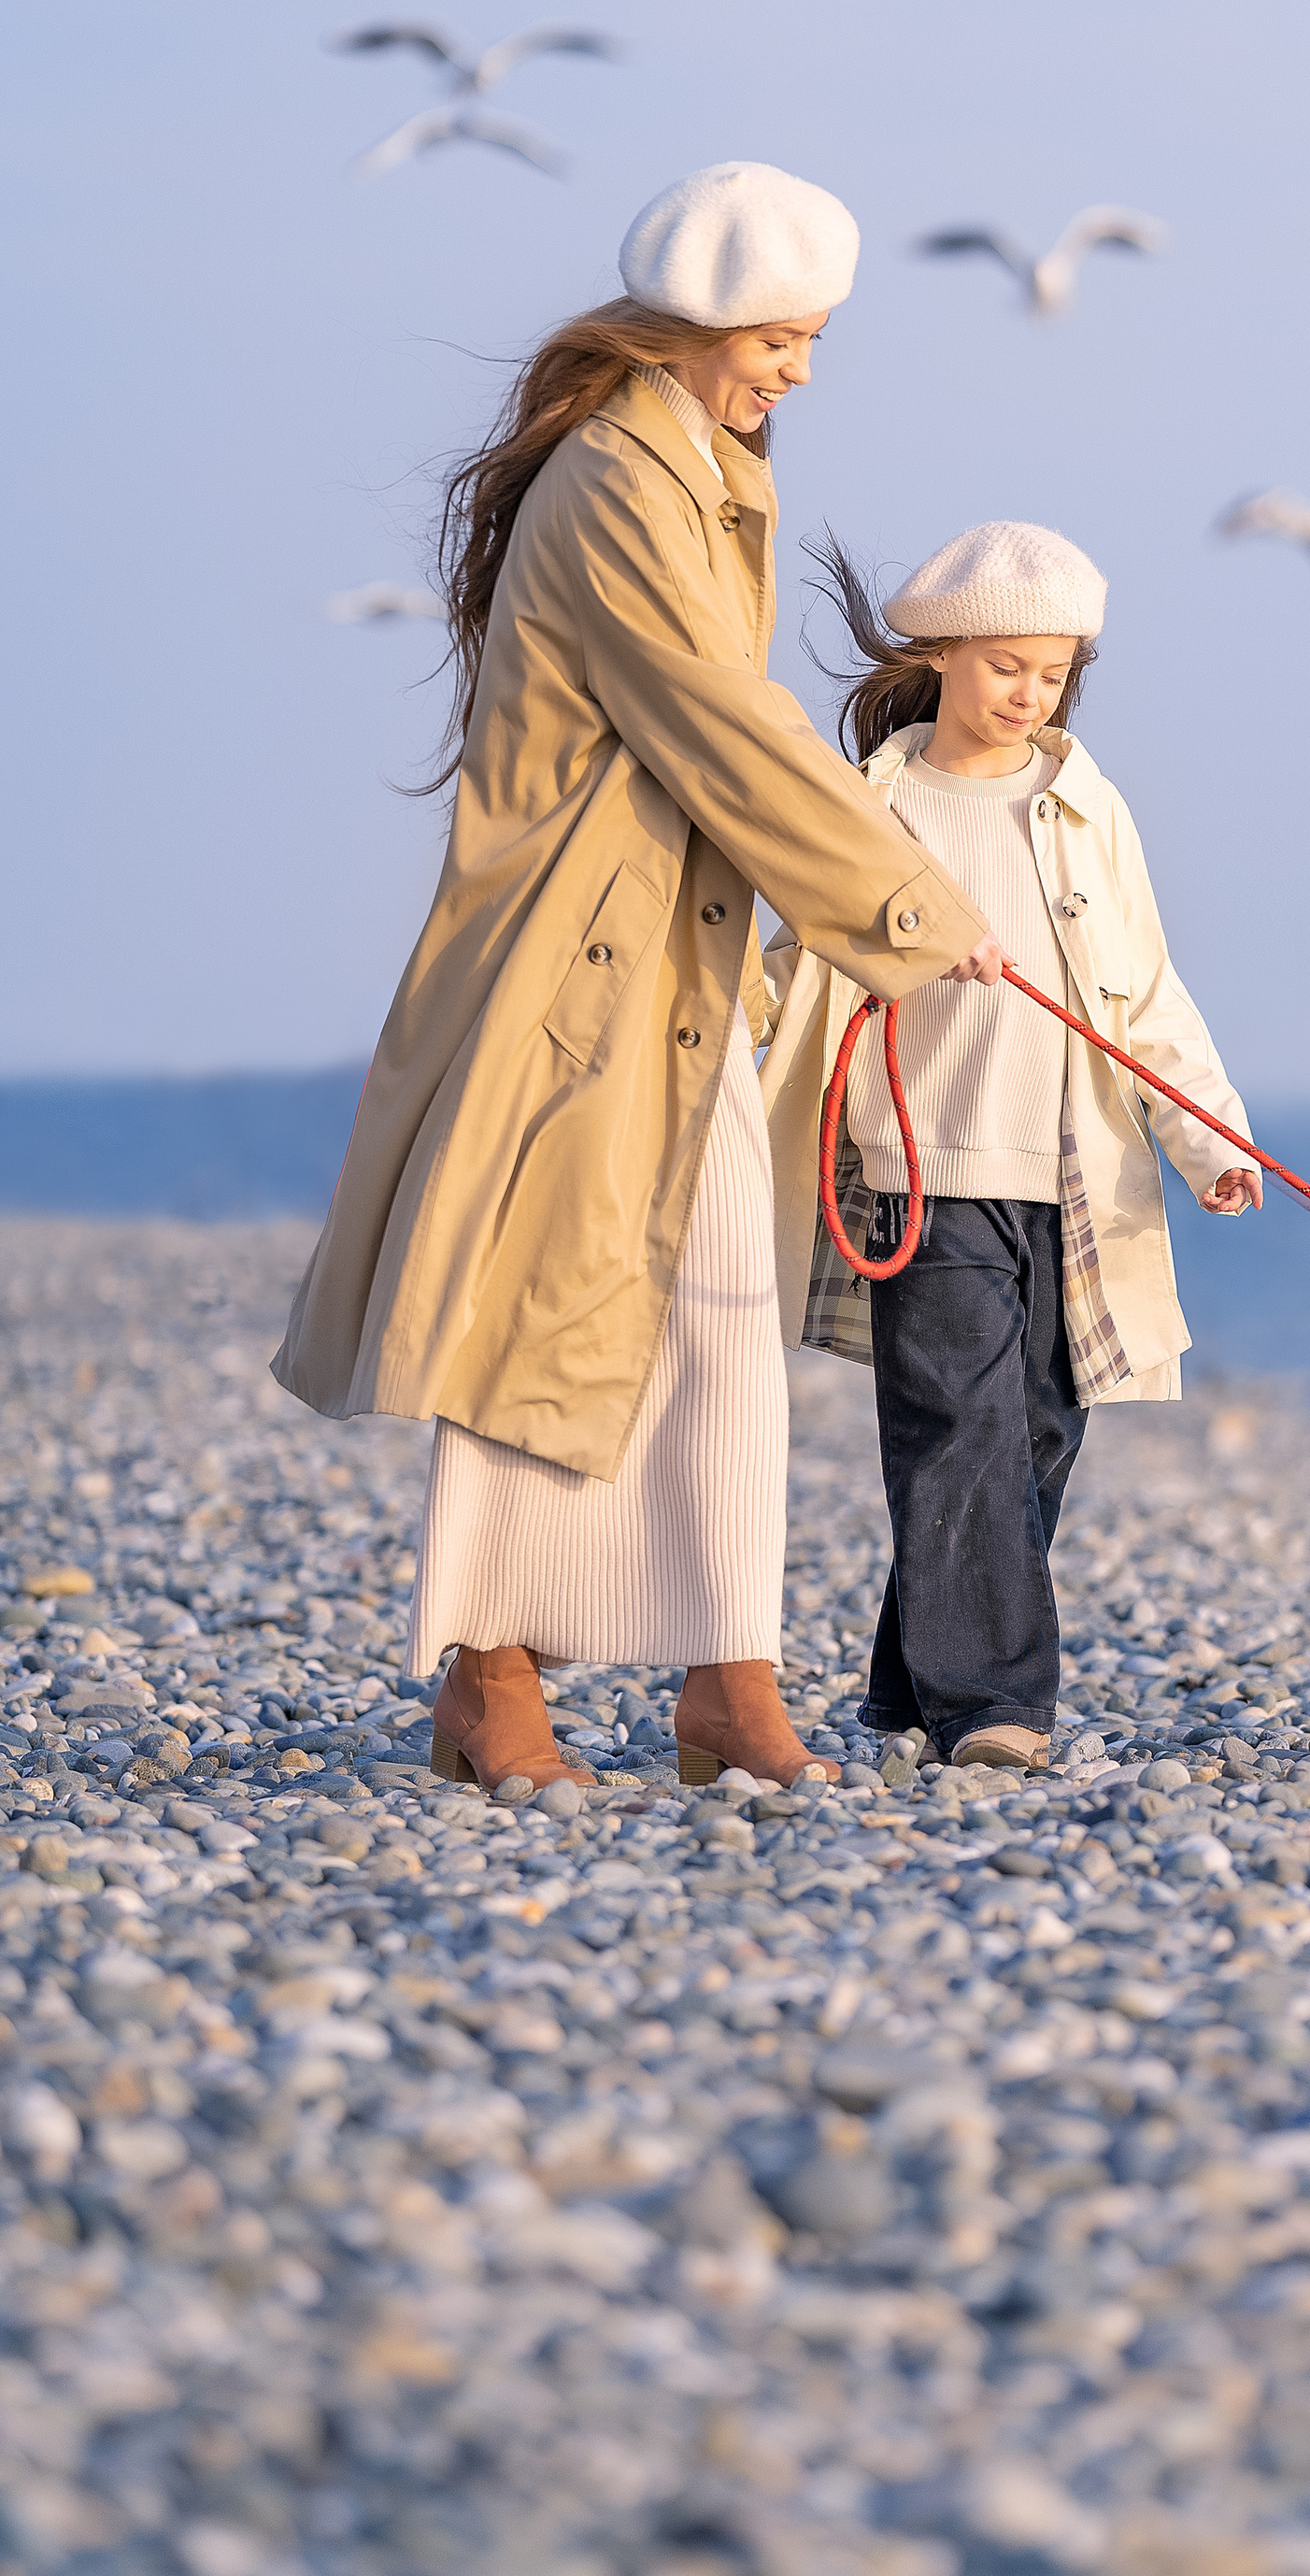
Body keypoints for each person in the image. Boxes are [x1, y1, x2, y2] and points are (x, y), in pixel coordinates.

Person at [273, 165, 997, 1796]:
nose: (803, 368)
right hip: (571, 974)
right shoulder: (617, 480)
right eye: (787, 334)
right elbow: (717, 725)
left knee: (718, 1324)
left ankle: (727, 1684)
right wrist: (916, 909)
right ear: (695, 322)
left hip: (671, 972)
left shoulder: (693, 471)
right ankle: (491, 1674)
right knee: (550, 1318)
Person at [760, 522, 1259, 1774]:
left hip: (1071, 1176)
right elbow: (796, 961)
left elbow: (1147, 993)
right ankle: (997, 1705)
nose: (1029, 693)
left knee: (1034, 1434)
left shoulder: (1085, 808)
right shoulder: (874, 802)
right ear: (939, 655)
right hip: (916, 1168)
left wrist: (1210, 1140)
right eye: (1005, 667)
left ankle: (909, 1679)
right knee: (957, 1428)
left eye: (1053, 672)